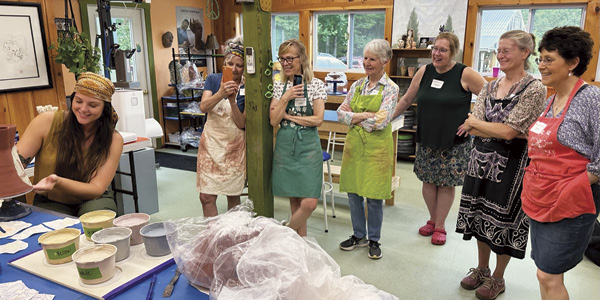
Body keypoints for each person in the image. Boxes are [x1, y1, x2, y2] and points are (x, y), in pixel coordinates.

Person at [455, 30, 546, 300]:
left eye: (507, 50)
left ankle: (498, 277)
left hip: (513, 165)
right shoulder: (489, 86)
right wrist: (494, 127)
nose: (501, 55)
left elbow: (506, 132)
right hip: (479, 161)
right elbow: (484, 128)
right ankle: (482, 269)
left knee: (503, 221)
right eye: (499, 50)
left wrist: (479, 124)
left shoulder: (535, 88)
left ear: (525, 53)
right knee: (479, 215)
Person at [521, 26, 600, 300]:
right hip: (542, 195)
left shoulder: (590, 99)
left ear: (574, 62)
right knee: (543, 270)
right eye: (540, 59)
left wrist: (574, 185)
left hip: (571, 200)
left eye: (549, 59)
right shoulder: (552, 99)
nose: (541, 66)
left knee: (548, 274)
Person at [392, 32, 486, 245]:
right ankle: (432, 219)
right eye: (435, 49)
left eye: (442, 50)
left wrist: (474, 120)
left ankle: (441, 225)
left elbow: (489, 96)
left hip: (453, 140)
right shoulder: (424, 71)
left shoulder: (465, 73)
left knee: (445, 183)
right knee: (428, 180)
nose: (436, 53)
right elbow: (407, 98)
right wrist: (388, 117)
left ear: (453, 52)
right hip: (427, 136)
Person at [17, 72, 124, 216]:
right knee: (56, 231)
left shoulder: (113, 139)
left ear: (104, 109)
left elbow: (96, 189)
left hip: (93, 199)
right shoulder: (46, 123)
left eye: (93, 105)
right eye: (79, 101)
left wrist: (58, 182)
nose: (83, 109)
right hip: (52, 200)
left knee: (96, 224)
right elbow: (15, 165)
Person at [336, 39, 399, 259]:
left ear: (385, 61)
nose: (367, 63)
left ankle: (374, 239)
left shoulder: (391, 88)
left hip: (377, 151)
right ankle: (358, 235)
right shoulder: (357, 86)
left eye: (372, 59)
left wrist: (354, 118)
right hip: (354, 148)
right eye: (365, 58)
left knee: (373, 197)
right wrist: (363, 115)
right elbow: (341, 113)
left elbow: (380, 122)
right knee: (353, 194)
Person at [270, 39, 327, 237]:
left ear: (301, 58)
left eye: (290, 58)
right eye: (282, 59)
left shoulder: (316, 85)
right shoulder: (279, 86)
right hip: (286, 146)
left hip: (308, 147)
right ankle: (299, 245)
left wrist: (289, 116)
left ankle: (284, 234)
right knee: (295, 202)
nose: (285, 63)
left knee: (309, 203)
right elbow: (273, 120)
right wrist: (286, 97)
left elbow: (317, 119)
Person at [197, 36, 246, 217]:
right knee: (206, 197)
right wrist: (220, 93)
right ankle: (213, 237)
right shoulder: (213, 79)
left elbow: (241, 123)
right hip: (211, 144)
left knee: (233, 195)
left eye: (239, 65)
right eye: (230, 63)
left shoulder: (248, 86)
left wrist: (232, 101)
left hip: (233, 146)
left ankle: (232, 235)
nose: (234, 69)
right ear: (224, 63)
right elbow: (204, 107)